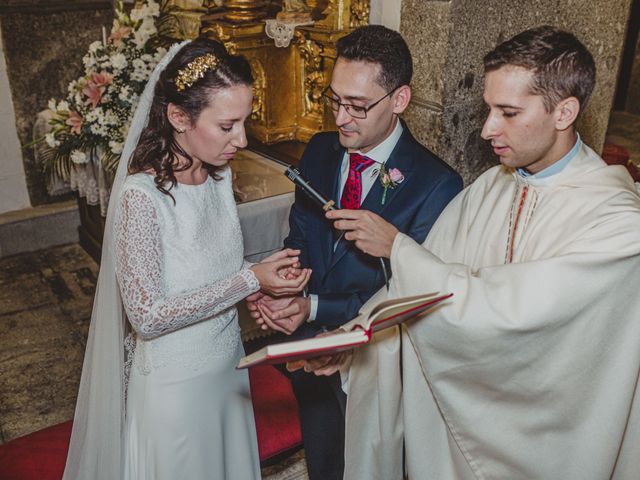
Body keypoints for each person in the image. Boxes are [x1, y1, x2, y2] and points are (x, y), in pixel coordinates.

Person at [308, 26, 640, 479]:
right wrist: (353, 339)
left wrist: (398, 248)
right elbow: (416, 295)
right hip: (456, 435)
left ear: (564, 112)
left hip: (542, 444)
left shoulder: (618, 226)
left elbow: (514, 317)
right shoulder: (491, 187)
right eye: (488, 109)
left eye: (508, 112)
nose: (487, 130)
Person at [62, 38, 310, 480]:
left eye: (244, 122)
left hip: (228, 370)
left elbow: (213, 271)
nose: (243, 139)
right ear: (178, 117)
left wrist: (258, 282)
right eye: (227, 125)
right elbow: (148, 316)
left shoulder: (217, 173)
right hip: (176, 392)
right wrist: (249, 281)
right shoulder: (142, 198)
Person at [248, 25, 462, 480]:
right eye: (335, 100)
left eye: (358, 106)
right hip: (310, 348)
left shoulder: (437, 185)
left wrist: (315, 306)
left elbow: (409, 294)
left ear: (399, 100)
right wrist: (288, 287)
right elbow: (302, 235)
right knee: (324, 458)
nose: (341, 117)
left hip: (376, 365)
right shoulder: (321, 150)